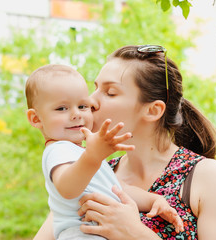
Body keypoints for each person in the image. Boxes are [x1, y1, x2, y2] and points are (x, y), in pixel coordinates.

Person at [35, 45, 216, 239]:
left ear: (153, 110)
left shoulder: (209, 177)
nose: (90, 101)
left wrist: (135, 233)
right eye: (95, 88)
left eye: (110, 92)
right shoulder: (91, 174)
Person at [25, 64, 184, 240]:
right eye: (62, 108)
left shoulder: (83, 156)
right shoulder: (58, 150)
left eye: (82, 106)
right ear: (36, 118)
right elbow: (67, 188)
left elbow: (118, 189)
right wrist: (93, 156)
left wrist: (153, 200)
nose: (76, 114)